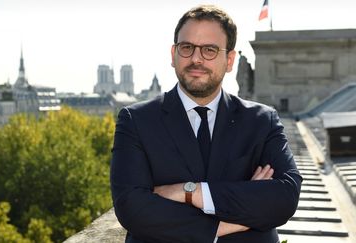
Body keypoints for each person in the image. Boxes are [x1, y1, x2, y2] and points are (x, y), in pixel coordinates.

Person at [110, 4, 302, 243]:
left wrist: (188, 192)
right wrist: (231, 221)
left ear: (230, 60)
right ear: (173, 55)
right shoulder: (136, 120)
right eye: (187, 48)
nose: (196, 59)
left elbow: (285, 197)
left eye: (210, 50)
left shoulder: (262, 121)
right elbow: (132, 208)